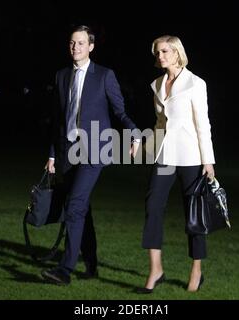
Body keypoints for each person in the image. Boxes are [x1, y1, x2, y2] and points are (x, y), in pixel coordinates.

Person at [41, 25, 140, 285]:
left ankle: (65, 269)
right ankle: (92, 264)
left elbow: (119, 111)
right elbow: (58, 121)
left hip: (95, 150)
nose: (76, 47)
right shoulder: (61, 76)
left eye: (81, 43)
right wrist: (52, 155)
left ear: (91, 46)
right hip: (68, 151)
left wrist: (134, 133)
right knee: (81, 208)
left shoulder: (105, 76)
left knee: (74, 206)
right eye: (72, 43)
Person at [138, 35, 216, 293]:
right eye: (157, 52)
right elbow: (160, 124)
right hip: (165, 156)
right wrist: (145, 147)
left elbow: (203, 124)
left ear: (176, 53)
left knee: (193, 215)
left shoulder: (196, 84)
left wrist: (208, 161)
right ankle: (155, 269)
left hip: (191, 157)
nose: (159, 56)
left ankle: (196, 270)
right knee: (152, 206)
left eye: (164, 52)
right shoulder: (158, 84)